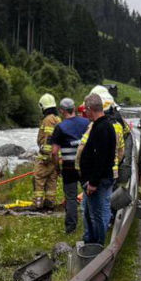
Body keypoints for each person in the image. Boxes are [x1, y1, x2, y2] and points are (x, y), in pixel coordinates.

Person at [77, 93, 115, 245]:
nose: (85, 113)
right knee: (88, 212)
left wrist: (93, 182)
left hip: (98, 181)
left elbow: (101, 158)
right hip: (94, 180)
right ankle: (90, 241)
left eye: (85, 110)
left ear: (90, 109)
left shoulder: (102, 128)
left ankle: (98, 245)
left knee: (97, 215)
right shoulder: (99, 125)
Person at [50, 98, 89, 234]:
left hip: (68, 167)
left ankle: (71, 228)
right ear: (74, 108)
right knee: (89, 193)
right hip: (85, 165)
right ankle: (90, 224)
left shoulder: (60, 127)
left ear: (62, 111)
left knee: (71, 198)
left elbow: (54, 152)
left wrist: (57, 168)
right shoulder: (86, 122)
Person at [34, 93, 62, 209]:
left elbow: (48, 139)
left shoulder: (48, 120)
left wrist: (45, 156)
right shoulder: (57, 119)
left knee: (39, 178)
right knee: (52, 179)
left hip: (47, 156)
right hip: (55, 156)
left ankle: (38, 203)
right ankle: (50, 202)